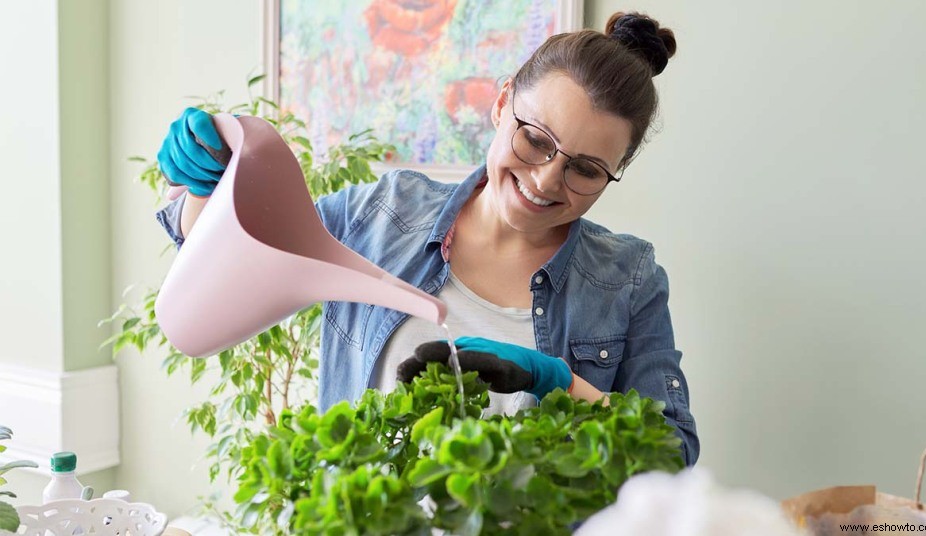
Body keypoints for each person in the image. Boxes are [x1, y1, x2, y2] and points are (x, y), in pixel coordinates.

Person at [156, 11, 699, 466]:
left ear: (616, 170)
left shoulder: (627, 279)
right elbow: (242, 251)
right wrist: (205, 183)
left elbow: (672, 457)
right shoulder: (382, 215)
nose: (544, 180)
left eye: (585, 169)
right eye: (535, 139)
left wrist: (558, 382)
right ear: (502, 102)